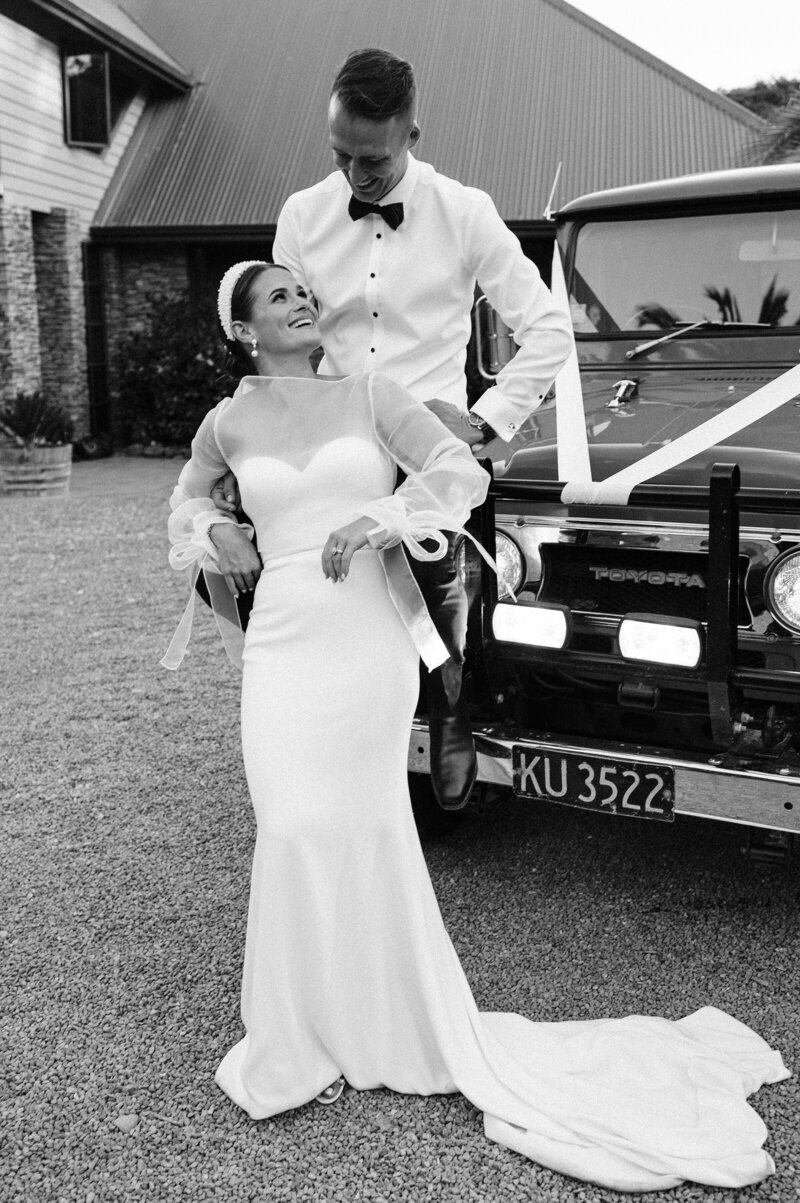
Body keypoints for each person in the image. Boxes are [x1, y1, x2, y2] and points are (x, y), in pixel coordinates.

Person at [164, 260, 788, 1194]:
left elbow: (457, 470)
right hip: (283, 638)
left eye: (305, 290)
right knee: (290, 823)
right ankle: (297, 1029)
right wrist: (216, 534)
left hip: (364, 634)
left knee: (368, 820)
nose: (304, 301)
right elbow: (183, 505)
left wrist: (384, 514)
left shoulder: (373, 394)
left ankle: (376, 1019)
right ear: (246, 330)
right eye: (280, 296)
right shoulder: (227, 422)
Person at [214, 48, 574, 813]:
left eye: (371, 160)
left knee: (439, 612)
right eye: (339, 154)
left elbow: (547, 328)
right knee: (333, 609)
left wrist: (484, 419)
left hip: (427, 454)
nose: (353, 175)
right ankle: (335, 757)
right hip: (338, 446)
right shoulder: (302, 215)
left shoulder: (465, 211)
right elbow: (283, 344)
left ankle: (450, 704)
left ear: (414, 132)